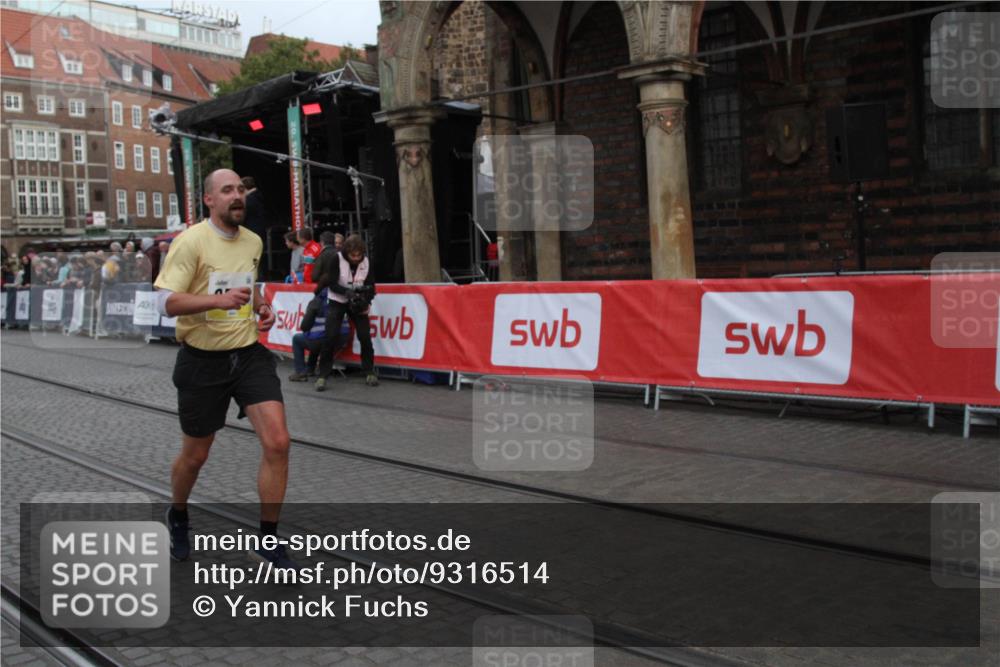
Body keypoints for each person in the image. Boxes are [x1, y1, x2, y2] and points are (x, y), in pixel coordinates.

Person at [154, 168, 297, 570]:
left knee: (278, 442)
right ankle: (178, 514)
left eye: (241, 188)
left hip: (248, 353)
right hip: (202, 361)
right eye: (228, 190)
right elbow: (164, 303)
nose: (238, 196)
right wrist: (215, 303)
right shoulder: (190, 243)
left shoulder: (252, 240)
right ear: (210, 200)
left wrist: (261, 305)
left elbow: (248, 287)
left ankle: (267, 540)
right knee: (196, 456)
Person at [313, 234, 377, 391]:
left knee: (365, 336)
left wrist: (366, 301)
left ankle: (369, 370)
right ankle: (323, 375)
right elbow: (332, 283)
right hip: (337, 300)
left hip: (357, 301)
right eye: (353, 255)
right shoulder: (336, 259)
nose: (356, 258)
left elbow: (371, 286)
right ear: (347, 253)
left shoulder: (366, 262)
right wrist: (347, 292)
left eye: (359, 255)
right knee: (331, 336)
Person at [288, 296, 328, 382]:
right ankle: (310, 368)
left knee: (298, 339)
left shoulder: (317, 301)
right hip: (340, 340)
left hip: (322, 340)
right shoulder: (340, 298)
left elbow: (304, 326)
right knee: (314, 337)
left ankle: (300, 372)